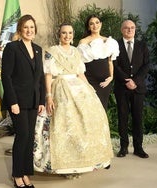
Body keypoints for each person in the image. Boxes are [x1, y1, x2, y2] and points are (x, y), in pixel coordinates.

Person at [33, 23, 113, 177]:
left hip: (78, 88)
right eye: (64, 33)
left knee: (87, 121)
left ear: (73, 35)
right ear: (59, 34)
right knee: (65, 123)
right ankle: (62, 166)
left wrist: (90, 89)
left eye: (70, 33)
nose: (67, 36)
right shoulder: (52, 51)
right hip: (61, 87)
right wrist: (49, 96)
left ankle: (81, 162)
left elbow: (80, 73)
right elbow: (48, 75)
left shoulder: (76, 52)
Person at [1, 14, 45, 188]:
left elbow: (39, 78)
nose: (29, 30)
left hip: (33, 101)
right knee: (22, 135)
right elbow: (6, 76)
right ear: (20, 29)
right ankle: (17, 175)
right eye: (26, 27)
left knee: (29, 138)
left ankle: (26, 173)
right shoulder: (12, 48)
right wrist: (12, 102)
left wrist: (41, 100)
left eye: (32, 27)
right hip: (17, 101)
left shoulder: (38, 49)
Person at [114, 20, 149, 158]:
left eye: (132, 28)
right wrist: (126, 80)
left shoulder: (142, 45)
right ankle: (123, 148)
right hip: (121, 88)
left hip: (138, 88)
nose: (130, 30)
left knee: (138, 118)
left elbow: (146, 65)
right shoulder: (115, 45)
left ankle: (138, 148)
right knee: (122, 118)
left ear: (135, 29)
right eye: (127, 28)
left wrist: (135, 81)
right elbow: (114, 65)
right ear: (122, 30)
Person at [77, 15, 119, 110]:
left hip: (105, 83)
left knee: (102, 110)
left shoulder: (109, 42)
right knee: (90, 111)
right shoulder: (83, 42)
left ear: (101, 24)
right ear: (88, 27)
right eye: (91, 23)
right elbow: (79, 65)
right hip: (89, 82)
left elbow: (110, 62)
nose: (95, 25)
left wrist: (111, 77)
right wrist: (86, 84)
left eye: (97, 23)